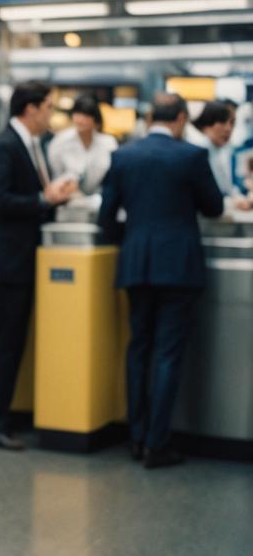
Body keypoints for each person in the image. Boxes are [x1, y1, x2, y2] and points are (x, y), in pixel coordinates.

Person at [98, 93, 224, 468]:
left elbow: (107, 219)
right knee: (167, 353)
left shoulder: (124, 156)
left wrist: (137, 238)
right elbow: (214, 206)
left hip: (137, 263)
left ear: (151, 116)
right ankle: (157, 443)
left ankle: (136, 438)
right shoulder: (191, 156)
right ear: (181, 118)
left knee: (139, 348)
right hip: (179, 266)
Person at [0, 81, 77, 450]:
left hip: (18, 257)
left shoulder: (31, 145)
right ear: (30, 109)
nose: (51, 114)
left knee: (11, 341)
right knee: (4, 342)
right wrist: (41, 198)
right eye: (48, 106)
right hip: (6, 260)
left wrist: (52, 199)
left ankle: (0, 417)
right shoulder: (5, 145)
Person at [47, 94, 118, 194]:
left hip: (98, 200)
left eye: (86, 115)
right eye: (77, 114)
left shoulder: (108, 143)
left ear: (95, 119)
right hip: (68, 201)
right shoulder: (60, 141)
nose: (80, 119)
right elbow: (55, 174)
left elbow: (112, 175)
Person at [189, 100, 238, 196]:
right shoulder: (197, 150)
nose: (228, 129)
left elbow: (227, 188)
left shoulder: (223, 150)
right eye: (222, 122)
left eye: (232, 123)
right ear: (206, 123)